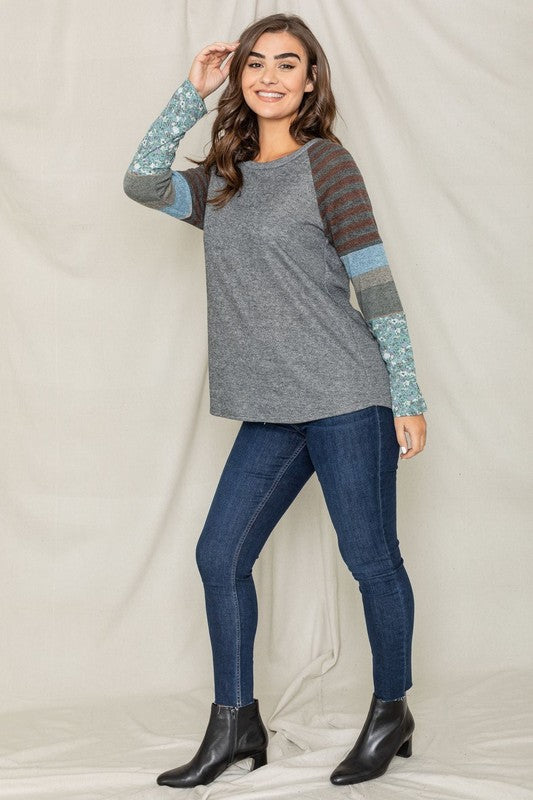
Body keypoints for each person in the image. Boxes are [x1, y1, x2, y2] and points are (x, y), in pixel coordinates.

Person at [123, 12, 427, 789]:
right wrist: (187, 98)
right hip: (271, 404)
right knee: (218, 556)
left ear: (309, 80)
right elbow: (141, 182)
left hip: (344, 392)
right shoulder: (220, 178)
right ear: (238, 75)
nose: (267, 76)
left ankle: (391, 711)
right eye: (255, 63)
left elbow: (375, 284)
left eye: (286, 65)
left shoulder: (328, 165)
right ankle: (237, 724)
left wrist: (406, 392)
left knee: (370, 559)